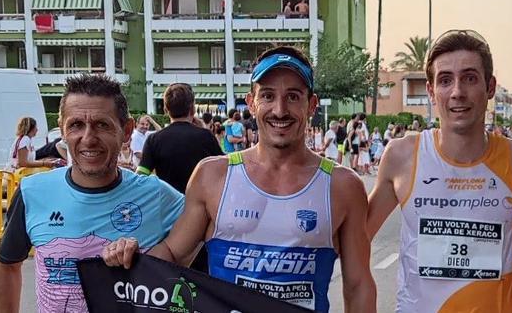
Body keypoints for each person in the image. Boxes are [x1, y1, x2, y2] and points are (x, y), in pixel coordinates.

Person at [101, 46, 376, 312]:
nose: (280, 110)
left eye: (293, 96)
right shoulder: (213, 175)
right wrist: (128, 258)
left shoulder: (342, 185)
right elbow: (174, 255)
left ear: (311, 104)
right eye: (268, 96)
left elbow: (358, 284)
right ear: (251, 103)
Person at [367, 29, 512, 312]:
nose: (458, 92)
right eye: (445, 80)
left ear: (491, 87)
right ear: (431, 91)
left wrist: (507, 303)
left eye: (470, 78)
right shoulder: (401, 156)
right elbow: (353, 248)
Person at [0, 74, 185, 313]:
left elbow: (205, 238)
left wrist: (152, 259)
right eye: (76, 125)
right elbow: (5, 264)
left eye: (102, 125)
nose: (88, 138)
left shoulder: (159, 196)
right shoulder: (33, 192)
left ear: (126, 131)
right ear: (62, 129)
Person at [138, 82, 223, 192]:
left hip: (168, 206)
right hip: (200, 206)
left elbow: (140, 177)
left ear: (165, 110)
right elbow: (223, 169)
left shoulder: (154, 140)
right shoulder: (206, 137)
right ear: (193, 108)